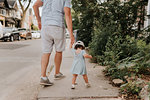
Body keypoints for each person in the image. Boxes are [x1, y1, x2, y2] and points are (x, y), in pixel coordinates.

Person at [33, 0, 75, 85]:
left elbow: (35, 5)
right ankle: (57, 73)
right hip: (57, 26)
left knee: (46, 52)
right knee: (58, 51)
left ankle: (43, 77)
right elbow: (68, 14)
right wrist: (71, 34)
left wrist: (39, 20)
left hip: (45, 27)